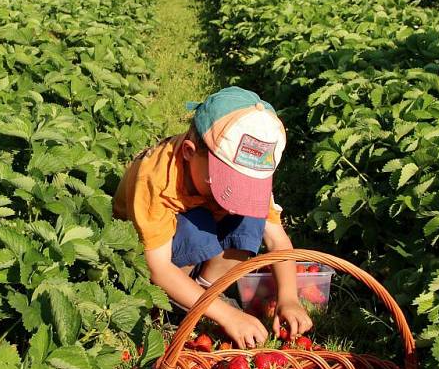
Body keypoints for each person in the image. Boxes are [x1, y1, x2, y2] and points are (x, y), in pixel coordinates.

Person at [114, 86, 313, 349]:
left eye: (245, 185)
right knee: (197, 229)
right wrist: (226, 315)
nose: (235, 197)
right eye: (228, 183)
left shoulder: (249, 167)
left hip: (202, 243)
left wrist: (288, 297)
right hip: (158, 256)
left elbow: (277, 242)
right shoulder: (156, 178)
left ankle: (204, 292)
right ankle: (175, 304)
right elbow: (157, 267)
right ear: (188, 152)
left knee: (250, 220)